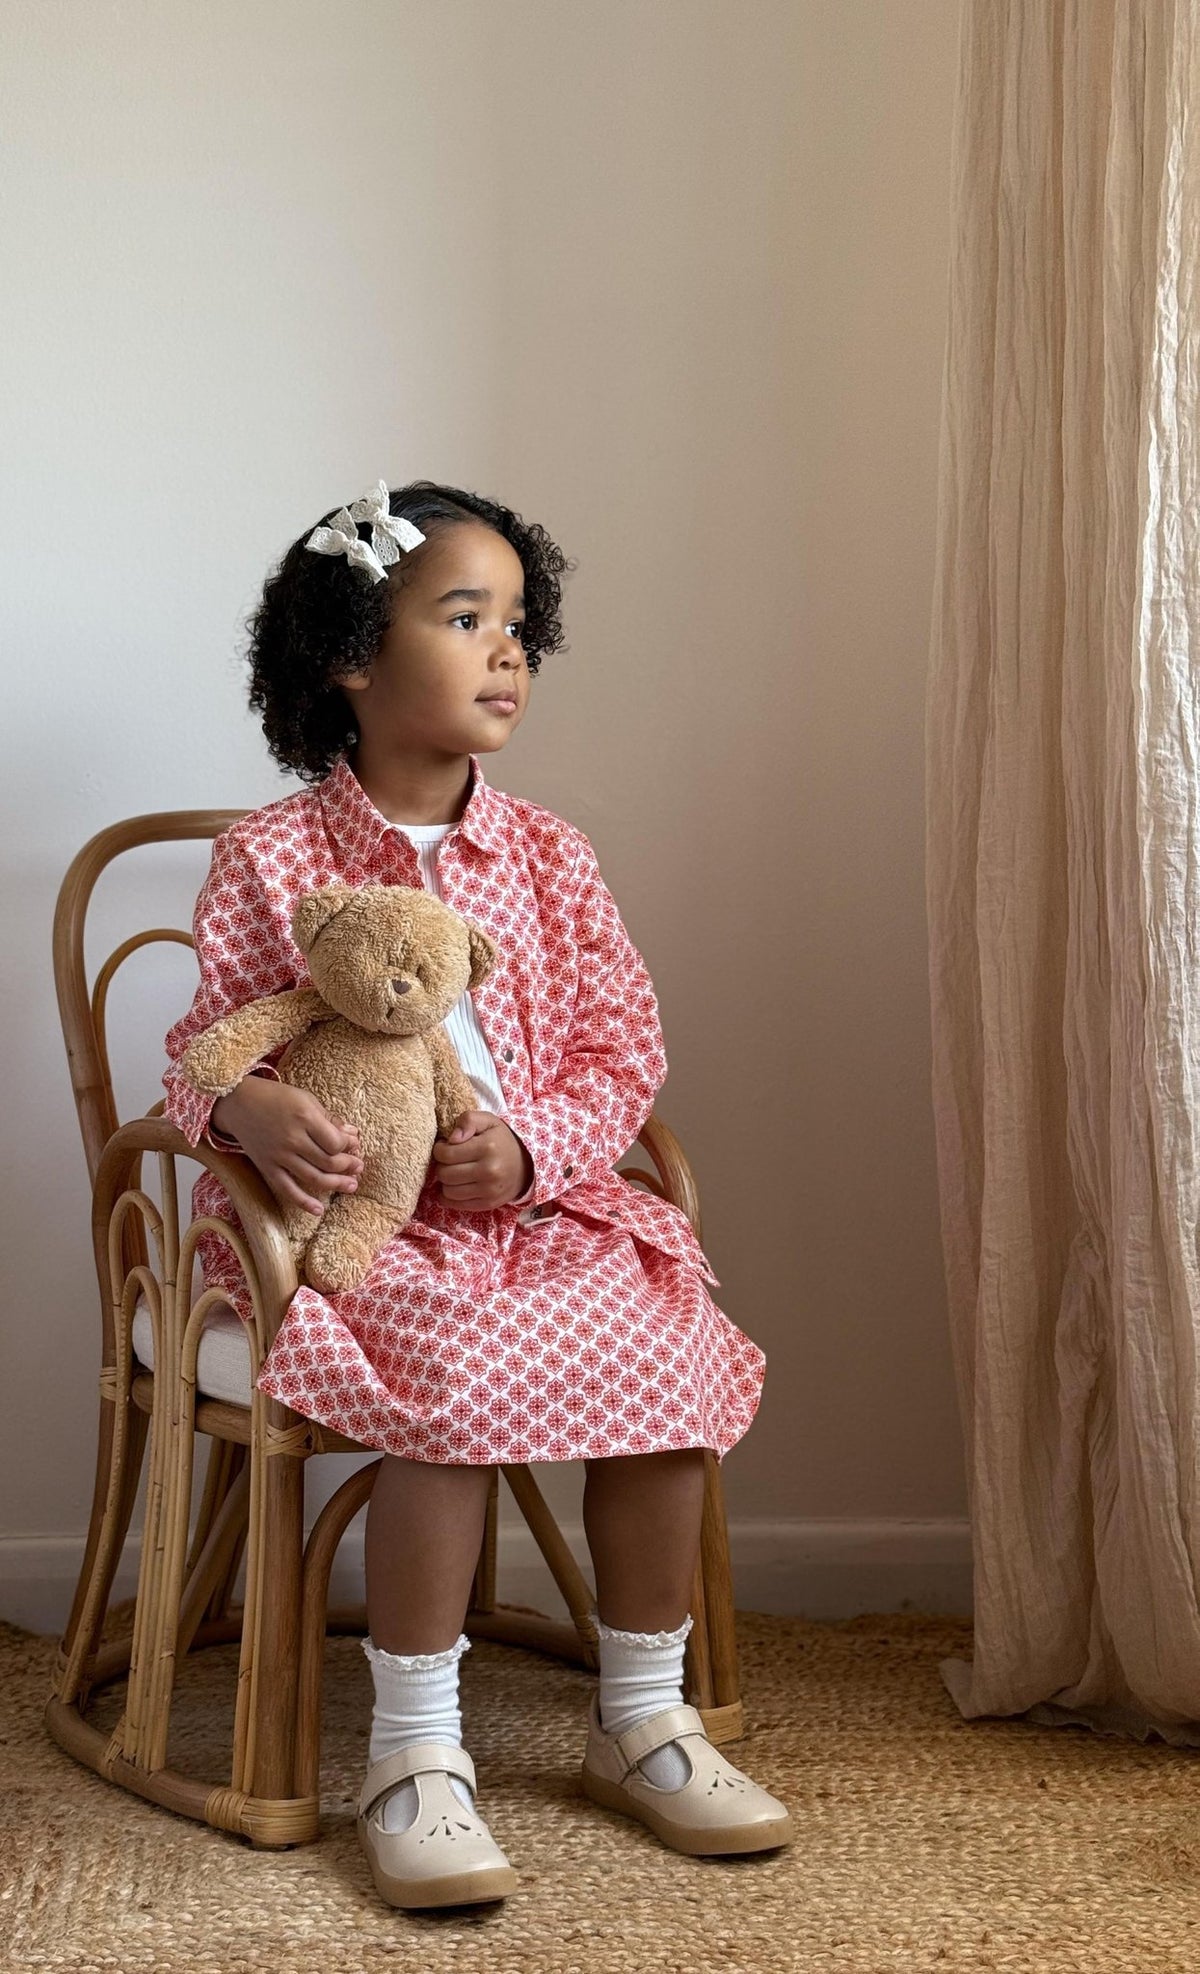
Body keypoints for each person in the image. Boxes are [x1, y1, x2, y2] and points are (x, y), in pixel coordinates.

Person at [163, 478, 791, 1910]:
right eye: (464, 617)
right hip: (342, 1240)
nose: (508, 650)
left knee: (661, 1338)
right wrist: (255, 1111)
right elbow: (199, 1054)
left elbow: (622, 1046)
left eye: (520, 622)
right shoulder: (275, 858)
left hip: (534, 1213)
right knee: (451, 1370)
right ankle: (413, 1752)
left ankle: (644, 1715)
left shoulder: (552, 857)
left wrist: (540, 1149)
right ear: (350, 656)